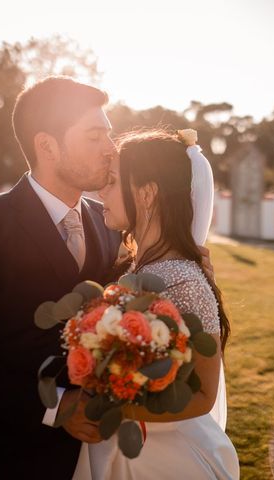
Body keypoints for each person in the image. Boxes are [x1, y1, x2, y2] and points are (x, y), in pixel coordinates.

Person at [0, 76, 215, 479]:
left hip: (94, 458)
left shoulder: (111, 224)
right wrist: (55, 406)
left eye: (109, 136)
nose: (110, 150)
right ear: (47, 145)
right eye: (95, 137)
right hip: (3, 457)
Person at [70, 128, 239, 479]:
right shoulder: (136, 267)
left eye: (113, 181)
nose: (101, 190)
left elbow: (204, 395)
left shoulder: (185, 281)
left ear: (146, 193)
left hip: (160, 460)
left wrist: (114, 408)